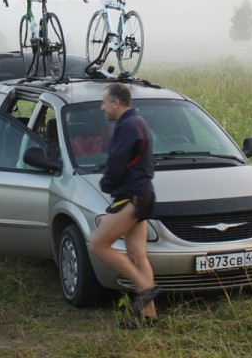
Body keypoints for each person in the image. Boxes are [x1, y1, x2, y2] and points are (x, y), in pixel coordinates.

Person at [90, 82, 162, 325]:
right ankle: (149, 315)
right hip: (143, 195)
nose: (102, 108)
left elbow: (117, 162)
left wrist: (106, 184)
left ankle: (145, 288)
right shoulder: (138, 122)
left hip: (130, 197)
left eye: (104, 102)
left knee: (99, 245)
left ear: (115, 103)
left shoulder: (127, 126)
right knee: (137, 255)